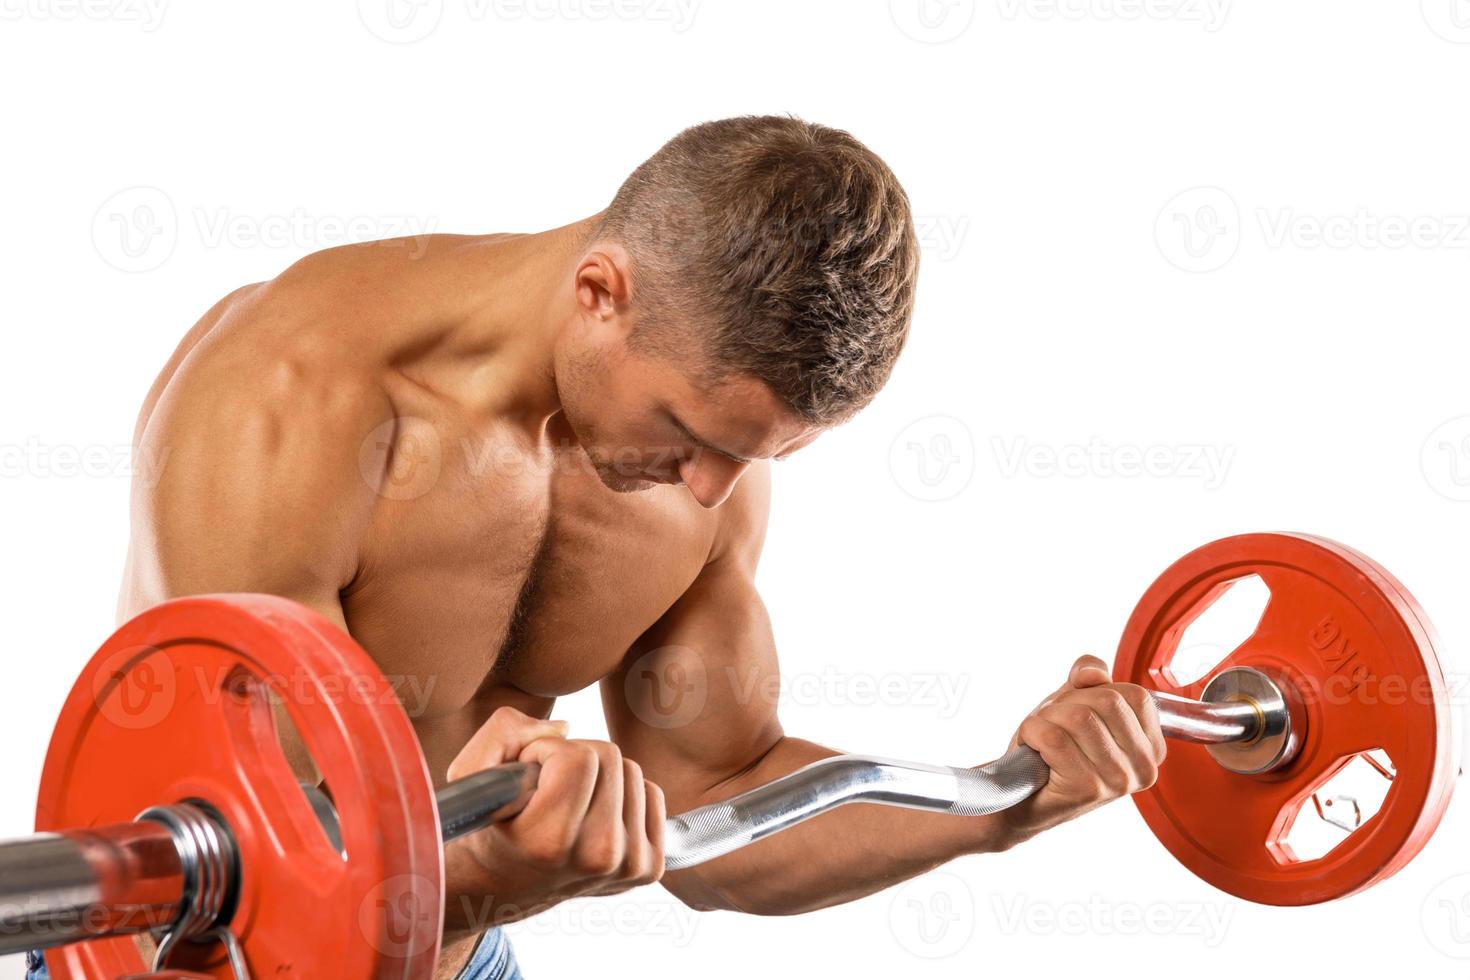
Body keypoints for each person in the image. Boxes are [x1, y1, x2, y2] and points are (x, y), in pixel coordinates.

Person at [87, 116, 1163, 980]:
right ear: (600, 294)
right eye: (693, 439)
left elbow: (719, 792)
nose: (712, 491)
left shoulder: (711, 477)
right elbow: (273, 874)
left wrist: (1009, 797)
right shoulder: (289, 395)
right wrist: (512, 876)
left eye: (760, 456)